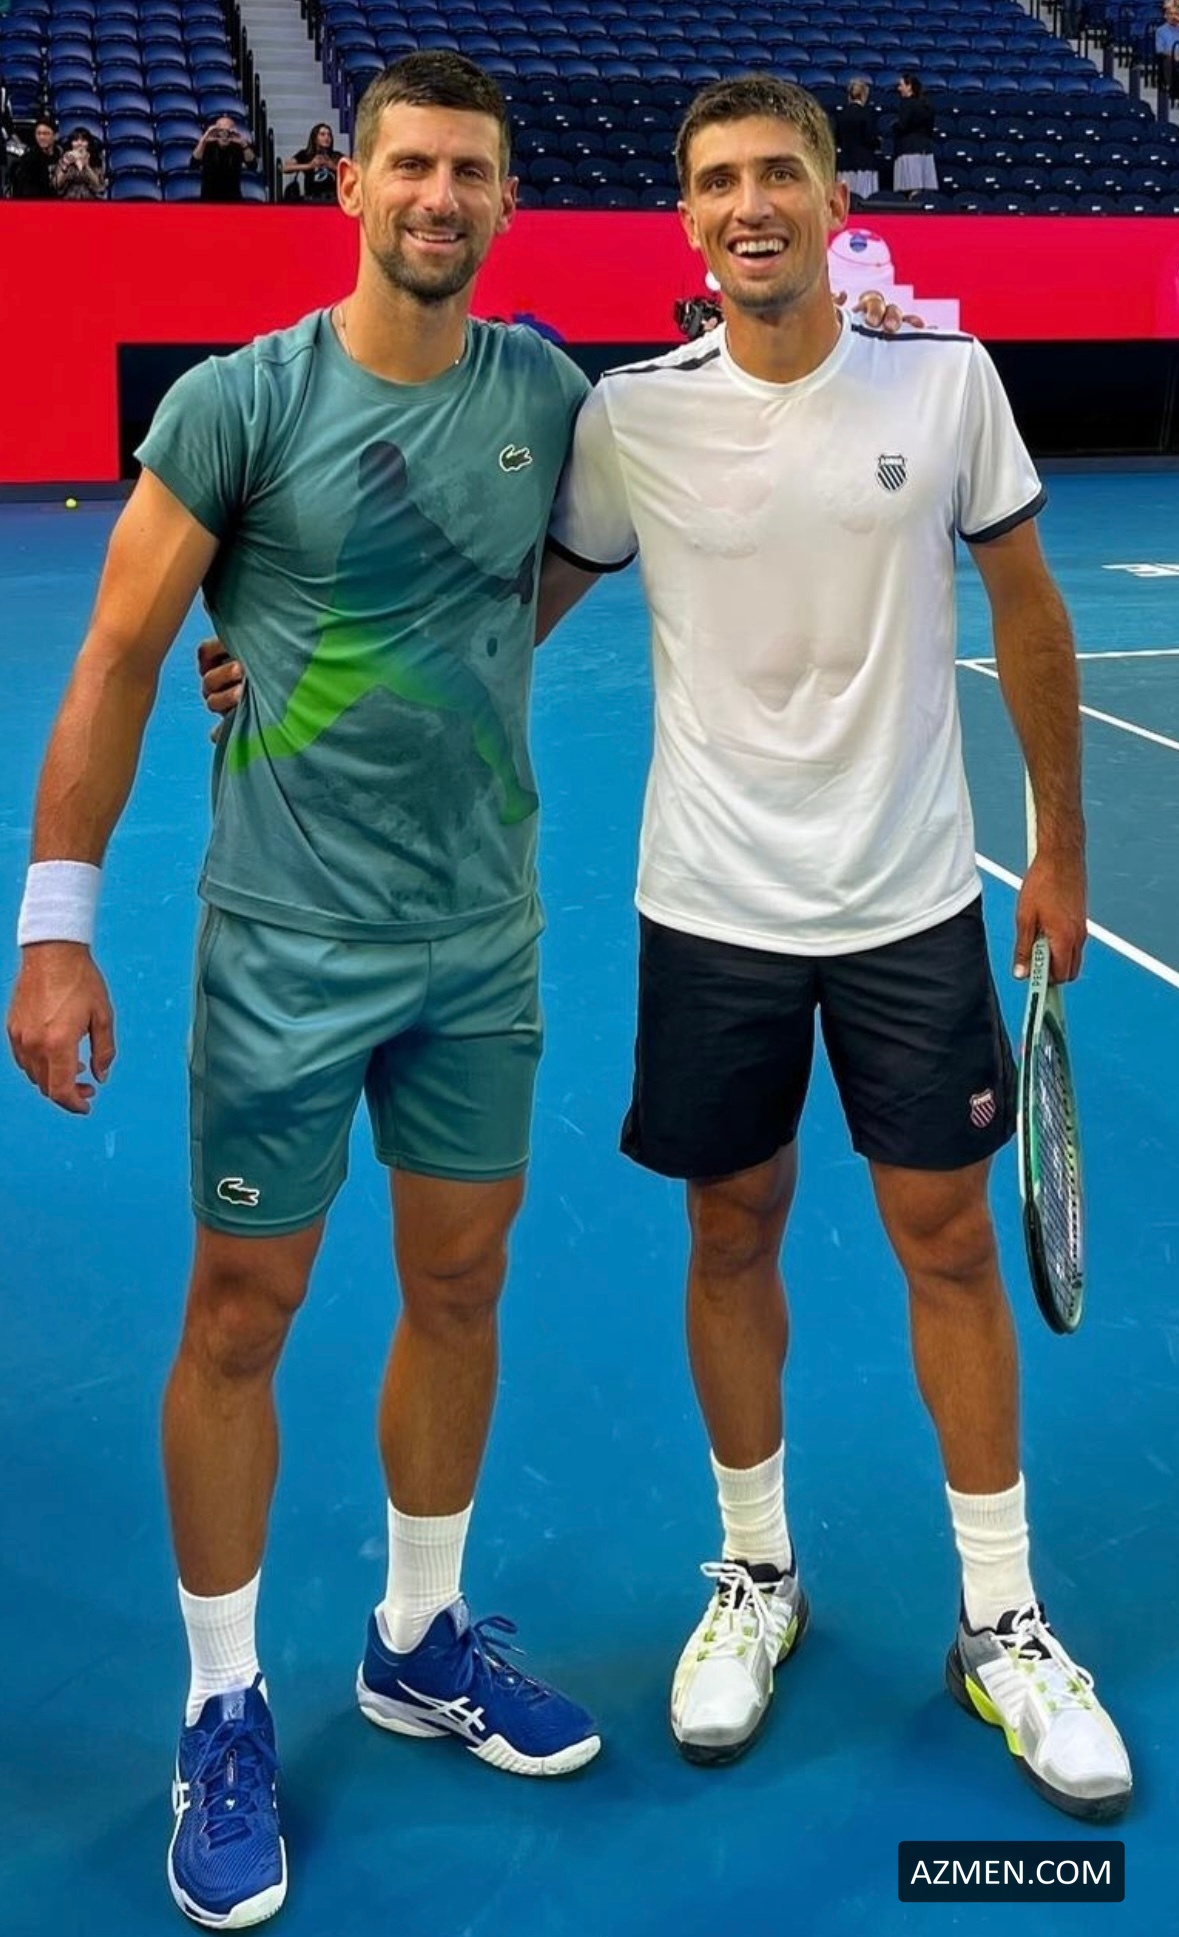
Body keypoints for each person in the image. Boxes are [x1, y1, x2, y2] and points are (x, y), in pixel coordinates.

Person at [7, 53, 605, 1930]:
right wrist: (52, 926)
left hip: (481, 938)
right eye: (409, 164)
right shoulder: (239, 402)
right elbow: (118, 654)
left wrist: (357, 659)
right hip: (283, 945)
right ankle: (220, 1699)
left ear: (505, 202)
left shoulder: (546, 395)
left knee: (459, 1282)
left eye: (472, 172)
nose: (439, 197)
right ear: (346, 181)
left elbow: (546, 575)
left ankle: (416, 1636)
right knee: (239, 1313)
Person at [536, 75, 1132, 1820]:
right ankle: (754, 1576)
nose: (750, 203)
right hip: (706, 904)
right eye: (717, 179)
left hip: (908, 900)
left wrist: (1057, 851)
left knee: (942, 1242)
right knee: (728, 1229)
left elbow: (1025, 607)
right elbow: (513, 611)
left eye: (778, 173)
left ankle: (999, 1618)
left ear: (829, 201)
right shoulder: (630, 419)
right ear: (684, 219)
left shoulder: (942, 384)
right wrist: (307, 660)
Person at [832, 76, 879, 202]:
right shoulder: (867, 114)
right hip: (864, 164)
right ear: (864, 95)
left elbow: (837, 138)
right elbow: (870, 138)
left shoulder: (841, 114)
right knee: (864, 200)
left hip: (845, 163)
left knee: (845, 201)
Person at [192, 113, 256, 202]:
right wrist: (204, 140)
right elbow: (194, 164)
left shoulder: (238, 146)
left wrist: (243, 144)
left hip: (233, 199)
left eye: (228, 131)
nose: (224, 135)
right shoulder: (207, 145)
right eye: (220, 131)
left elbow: (252, 165)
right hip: (208, 200)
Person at [892, 72, 937, 199]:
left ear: (909, 86)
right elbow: (929, 130)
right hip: (925, 150)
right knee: (922, 191)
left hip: (909, 150)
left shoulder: (906, 103)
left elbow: (903, 126)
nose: (899, 88)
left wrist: (894, 126)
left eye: (901, 85)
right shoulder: (926, 105)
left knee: (912, 190)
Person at [283, 120, 344, 201]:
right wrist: (309, 165)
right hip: (311, 199)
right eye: (322, 134)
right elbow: (284, 167)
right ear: (315, 138)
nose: (327, 138)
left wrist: (333, 166)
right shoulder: (305, 154)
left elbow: (353, 170)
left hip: (333, 199)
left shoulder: (336, 155)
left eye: (329, 135)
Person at [10, 120, 61, 199]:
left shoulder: (60, 154)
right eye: (38, 133)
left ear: (55, 136)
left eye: (46, 133)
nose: (41, 137)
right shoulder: (29, 159)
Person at [53, 125, 106, 201]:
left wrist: (86, 166)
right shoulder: (64, 158)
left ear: (88, 143)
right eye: (75, 140)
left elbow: (99, 186)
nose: (79, 143)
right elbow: (56, 185)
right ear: (71, 143)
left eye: (83, 140)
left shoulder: (96, 159)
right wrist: (65, 166)